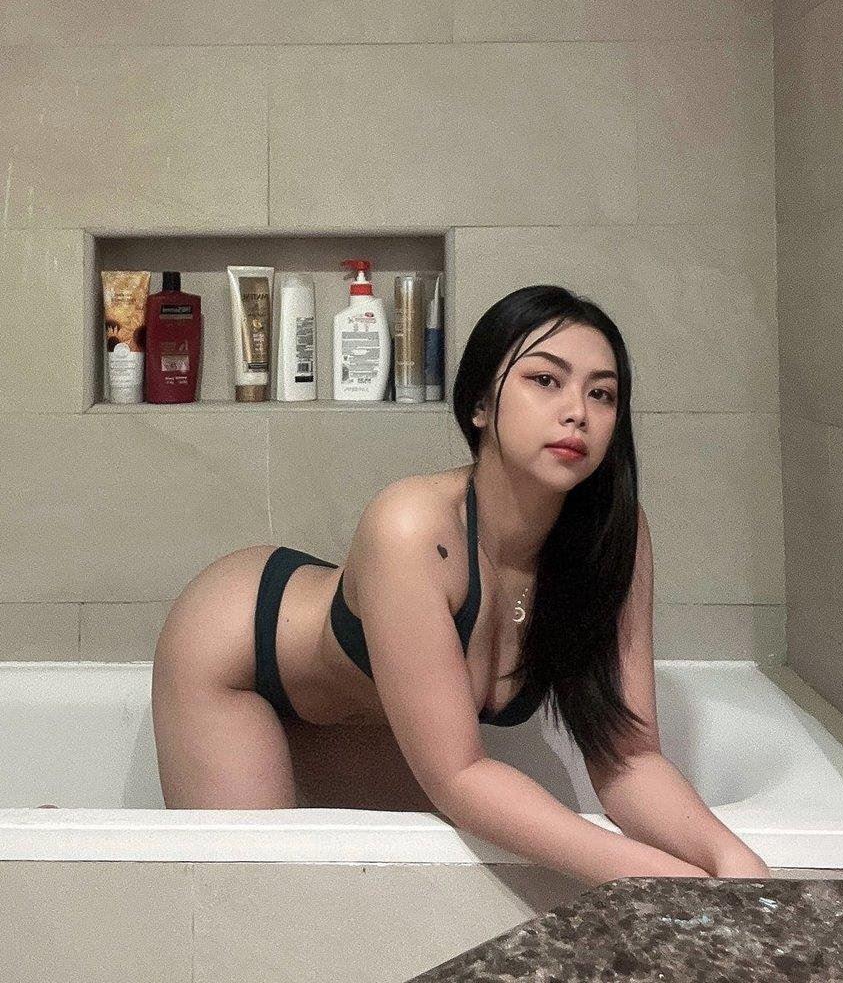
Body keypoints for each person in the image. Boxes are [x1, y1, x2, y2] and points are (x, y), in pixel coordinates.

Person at [152, 284, 767, 886]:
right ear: (479, 405)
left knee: (410, 900)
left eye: (601, 393)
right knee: (260, 904)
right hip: (238, 660)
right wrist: (663, 878)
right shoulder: (411, 526)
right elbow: (460, 777)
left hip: (364, 712)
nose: (577, 411)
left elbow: (629, 758)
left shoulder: (614, 539)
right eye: (545, 380)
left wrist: (738, 867)